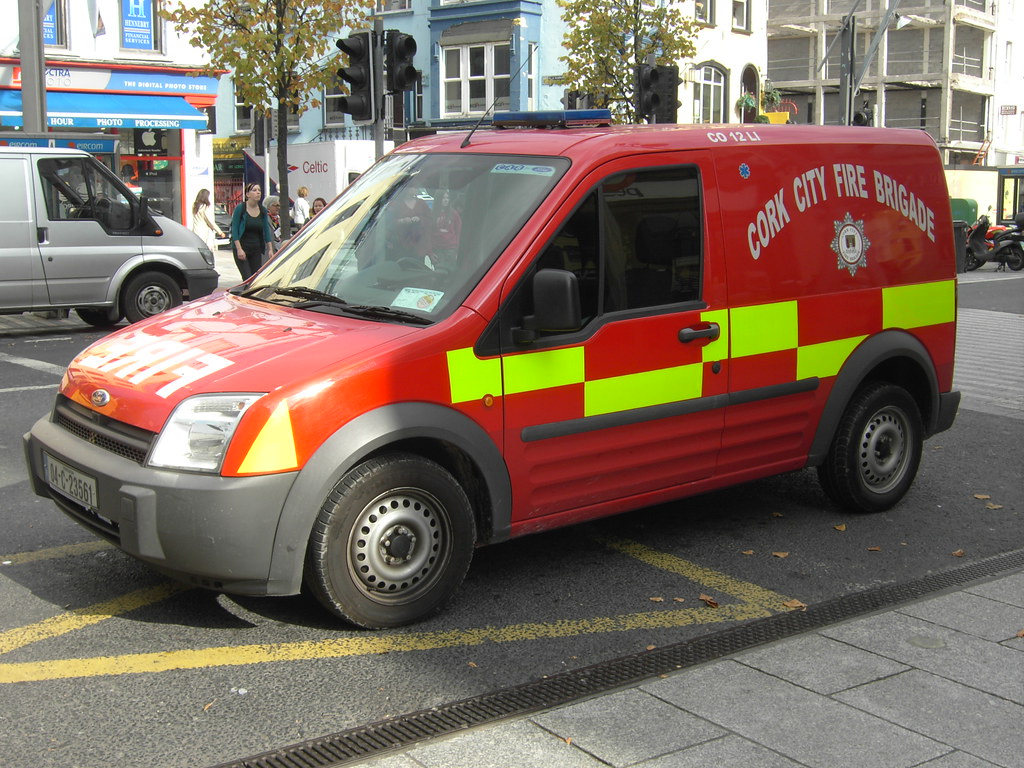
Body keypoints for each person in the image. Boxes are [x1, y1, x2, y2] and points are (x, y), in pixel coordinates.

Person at [230, 183, 275, 280]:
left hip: (256, 249)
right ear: (247, 194)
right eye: (254, 190)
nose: (258, 192)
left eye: (259, 190)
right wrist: (239, 249)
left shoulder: (262, 210)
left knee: (255, 279)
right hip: (242, 248)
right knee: (247, 278)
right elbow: (235, 230)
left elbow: (266, 231)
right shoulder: (240, 208)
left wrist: (270, 249)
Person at [387, 184, 431, 261]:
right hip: (401, 245)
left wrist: (420, 219)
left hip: (419, 245)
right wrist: (402, 221)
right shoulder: (397, 204)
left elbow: (430, 220)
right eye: (412, 187)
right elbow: (389, 224)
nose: (414, 189)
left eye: (416, 187)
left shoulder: (421, 203)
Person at [429, 190, 461, 269]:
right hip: (437, 249)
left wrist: (458, 250)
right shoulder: (431, 214)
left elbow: (459, 231)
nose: (446, 200)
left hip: (451, 249)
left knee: (451, 274)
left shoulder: (454, 213)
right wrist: (430, 253)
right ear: (438, 199)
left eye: (447, 198)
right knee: (439, 273)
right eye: (443, 198)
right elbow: (427, 234)